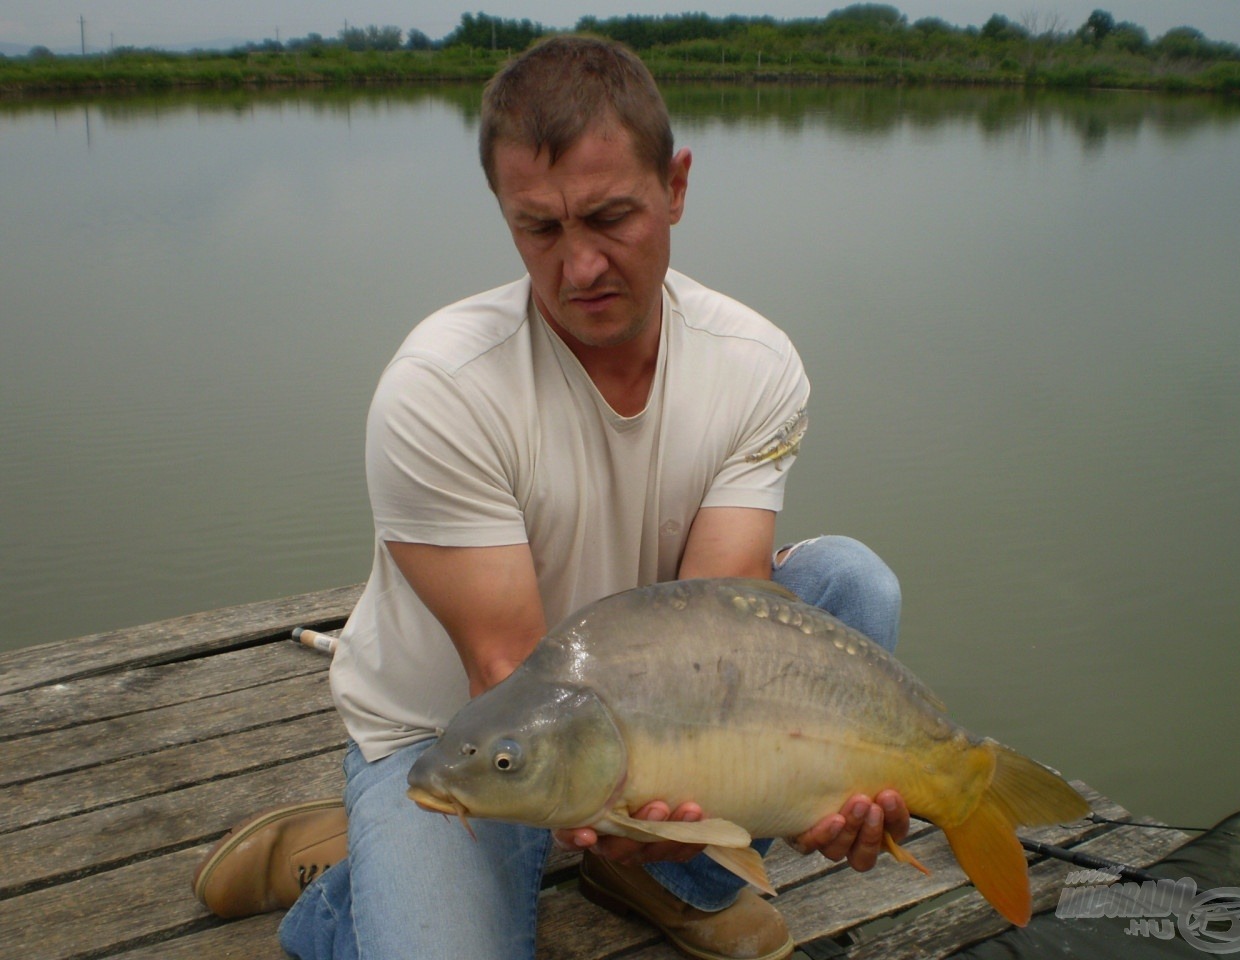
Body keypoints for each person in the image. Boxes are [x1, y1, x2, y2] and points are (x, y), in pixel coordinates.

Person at [193, 35, 908, 960]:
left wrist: (747, 802)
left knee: (852, 587)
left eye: (611, 217)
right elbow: (507, 673)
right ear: (505, 214)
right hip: (463, 733)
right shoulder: (441, 388)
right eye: (541, 229)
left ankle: (660, 873)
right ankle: (352, 879)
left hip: (649, 702)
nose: (580, 269)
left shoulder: (755, 364)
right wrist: (613, 798)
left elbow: (720, 623)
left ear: (677, 186)